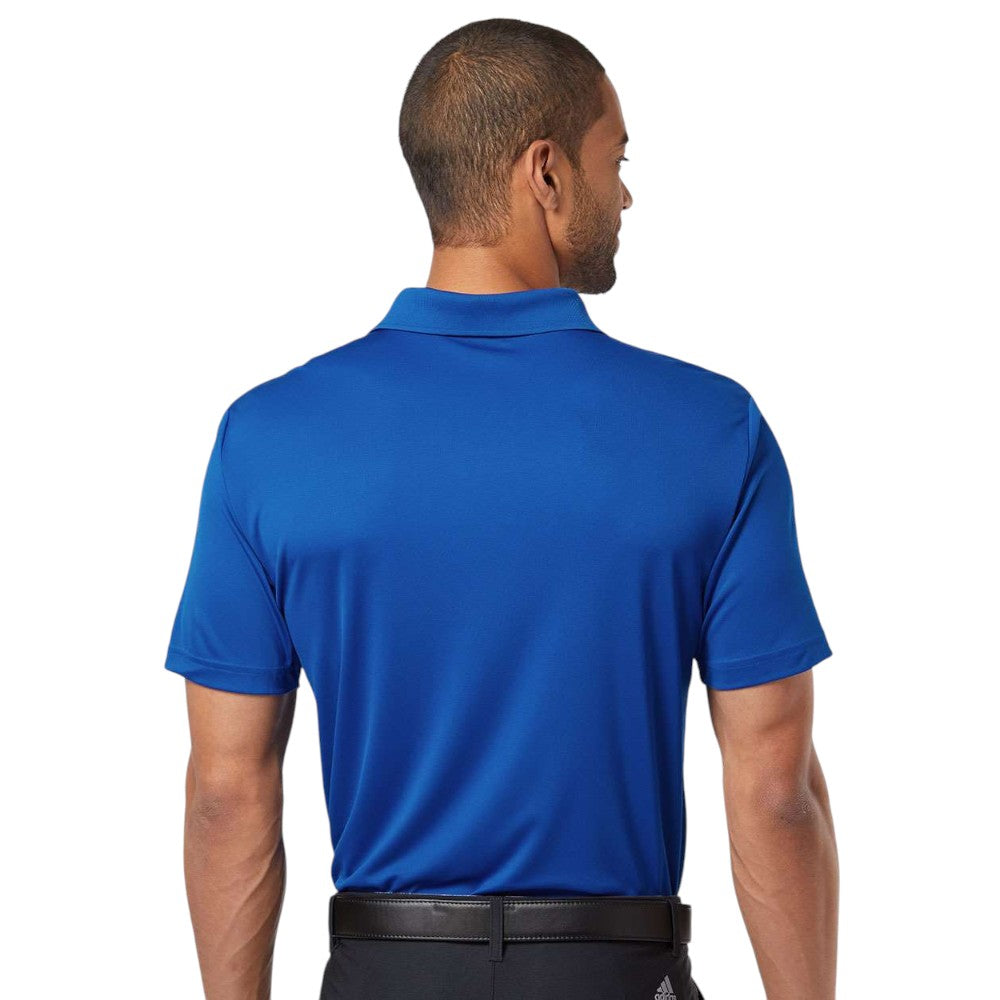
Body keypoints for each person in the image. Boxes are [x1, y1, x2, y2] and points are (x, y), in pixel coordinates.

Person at [164, 17, 838, 1000]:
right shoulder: (710, 429)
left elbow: (226, 795)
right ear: (546, 174)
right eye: (615, 159)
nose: (625, 193)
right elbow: (776, 791)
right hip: (614, 972)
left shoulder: (267, 438)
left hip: (385, 972)